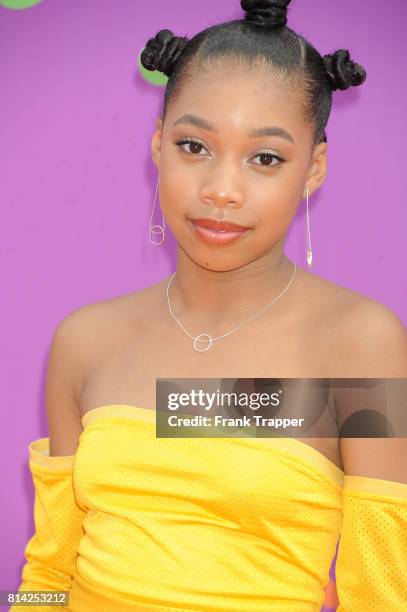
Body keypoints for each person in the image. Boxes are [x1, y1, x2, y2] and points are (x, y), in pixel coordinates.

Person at [12, 0, 407, 610]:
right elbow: (48, 568)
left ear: (314, 169)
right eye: (194, 146)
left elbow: (383, 592)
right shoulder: (85, 340)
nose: (222, 189)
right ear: (157, 148)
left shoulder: (360, 343)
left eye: (266, 158)